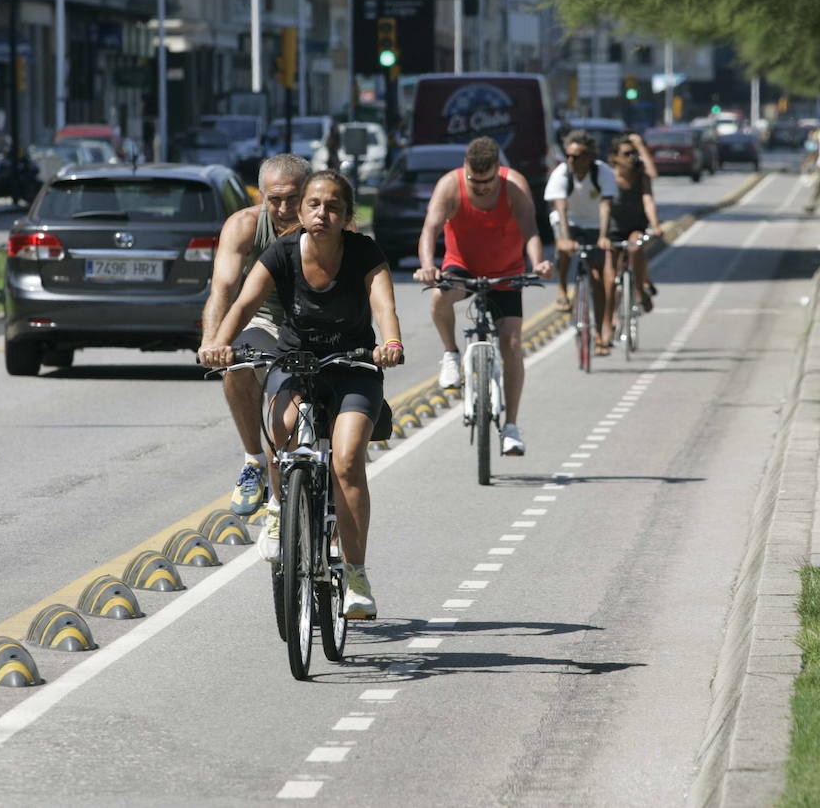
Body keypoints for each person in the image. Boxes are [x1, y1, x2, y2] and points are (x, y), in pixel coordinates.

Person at [200, 170, 403, 619]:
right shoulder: (281, 252)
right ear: (302, 210)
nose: (321, 214)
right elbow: (243, 303)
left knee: (347, 460)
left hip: (352, 367)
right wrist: (218, 342)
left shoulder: (364, 252)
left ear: (348, 215)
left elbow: (384, 305)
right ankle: (281, 512)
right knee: (282, 439)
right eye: (314, 205)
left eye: (333, 207)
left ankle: (355, 574)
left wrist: (390, 342)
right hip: (294, 363)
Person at [415, 136, 554, 455]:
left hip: (506, 272)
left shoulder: (514, 186)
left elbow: (531, 230)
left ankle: (512, 427)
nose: (481, 188)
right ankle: (450, 353)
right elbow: (429, 229)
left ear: (498, 171)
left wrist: (539, 263)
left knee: (512, 342)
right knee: (439, 296)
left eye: (488, 181)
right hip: (462, 267)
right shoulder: (450, 186)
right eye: (474, 181)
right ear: (465, 170)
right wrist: (427, 266)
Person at [199, 154, 308, 517]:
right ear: (259, 196)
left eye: (292, 198)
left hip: (315, 328)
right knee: (237, 364)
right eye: (273, 199)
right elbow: (223, 288)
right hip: (264, 323)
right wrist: (213, 342)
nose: (283, 208)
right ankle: (253, 462)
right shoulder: (244, 225)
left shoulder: (327, 223)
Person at [545, 129, 617, 350]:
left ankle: (598, 334)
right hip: (570, 221)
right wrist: (565, 240)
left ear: (589, 156)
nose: (571, 160)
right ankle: (563, 291)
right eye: (568, 155)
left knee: (597, 277)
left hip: (595, 224)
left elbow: (605, 206)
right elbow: (561, 207)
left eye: (577, 156)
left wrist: (604, 237)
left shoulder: (602, 172)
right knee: (563, 248)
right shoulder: (562, 173)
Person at [600, 135, 664, 348]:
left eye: (633, 153)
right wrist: (601, 235)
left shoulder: (640, 175)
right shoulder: (607, 178)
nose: (632, 157)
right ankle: (607, 326)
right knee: (609, 283)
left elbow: (648, 199)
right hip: (613, 231)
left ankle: (639, 290)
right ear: (615, 158)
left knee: (636, 246)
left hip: (635, 226)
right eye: (627, 153)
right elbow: (604, 207)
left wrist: (655, 225)